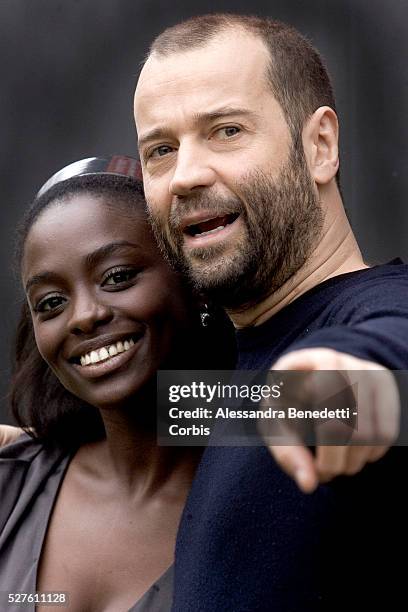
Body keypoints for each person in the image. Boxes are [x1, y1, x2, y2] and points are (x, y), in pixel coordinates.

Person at [134, 13, 408, 609]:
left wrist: (360, 370)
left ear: (320, 147)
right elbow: (235, 414)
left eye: (226, 131)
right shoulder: (250, 381)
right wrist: (42, 450)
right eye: (160, 149)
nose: (185, 174)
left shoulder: (375, 323)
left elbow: (384, 383)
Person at [0, 155, 234, 611]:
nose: (85, 316)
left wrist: (197, 409)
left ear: (195, 280)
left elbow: (380, 409)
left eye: (118, 277)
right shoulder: (12, 486)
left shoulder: (269, 477)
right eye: (50, 302)